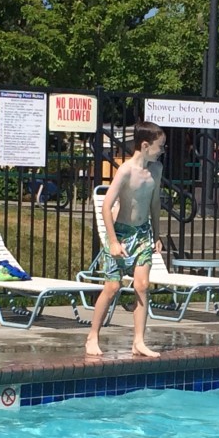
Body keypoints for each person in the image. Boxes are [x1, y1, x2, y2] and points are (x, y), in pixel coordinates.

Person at [85, 121, 165, 359]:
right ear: (145, 145)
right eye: (160, 146)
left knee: (142, 286)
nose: (162, 151)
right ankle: (92, 335)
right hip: (120, 234)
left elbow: (154, 204)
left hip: (142, 234)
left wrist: (157, 236)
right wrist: (112, 241)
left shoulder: (156, 170)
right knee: (112, 287)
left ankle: (139, 341)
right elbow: (106, 206)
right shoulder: (125, 171)